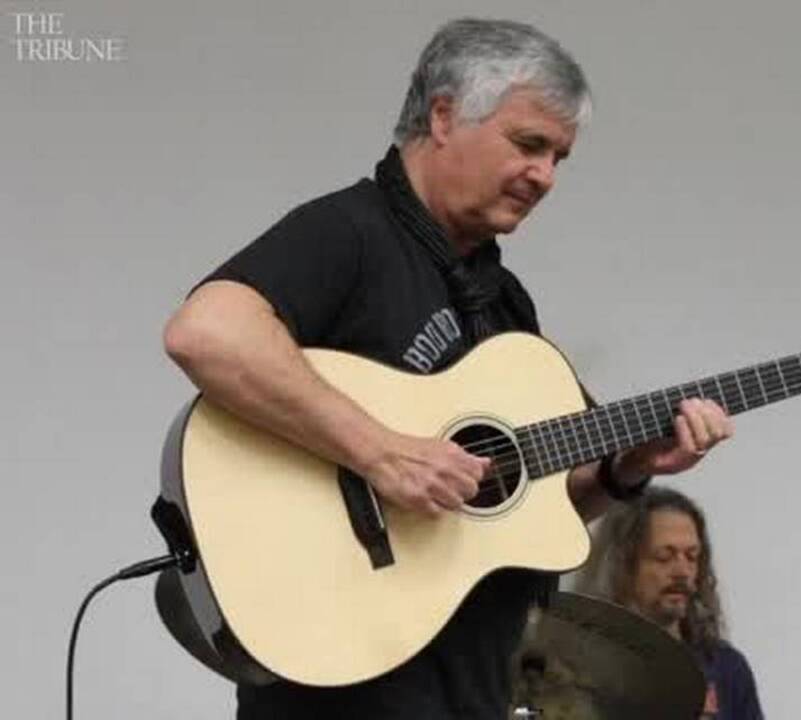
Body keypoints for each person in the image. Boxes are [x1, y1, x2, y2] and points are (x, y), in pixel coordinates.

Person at [162, 17, 733, 720]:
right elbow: (206, 331)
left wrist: (626, 469)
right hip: (341, 693)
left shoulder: (505, 303)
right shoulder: (350, 233)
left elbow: (530, 513)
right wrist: (383, 452)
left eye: (559, 157)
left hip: (470, 689)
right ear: (443, 114)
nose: (545, 176)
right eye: (529, 145)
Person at [578, 486, 765, 719]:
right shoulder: (579, 667)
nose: (682, 571)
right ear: (623, 566)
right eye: (664, 557)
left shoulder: (726, 667)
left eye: (692, 557)